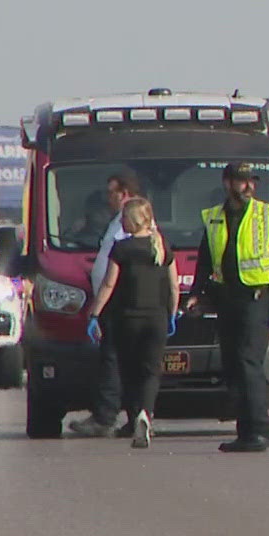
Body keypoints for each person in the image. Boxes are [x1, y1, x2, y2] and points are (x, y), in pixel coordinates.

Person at [186, 162, 269, 452]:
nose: (249, 186)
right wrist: (196, 293)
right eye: (242, 181)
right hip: (227, 299)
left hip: (257, 297)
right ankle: (248, 430)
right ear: (227, 183)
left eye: (251, 181)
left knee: (249, 361)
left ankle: (258, 429)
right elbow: (206, 259)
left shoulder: (266, 214)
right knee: (234, 364)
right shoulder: (214, 218)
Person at [83, 198, 177, 449]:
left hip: (128, 318)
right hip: (156, 318)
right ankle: (146, 413)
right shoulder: (162, 245)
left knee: (130, 369)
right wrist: (172, 313)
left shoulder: (121, 248)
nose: (121, 221)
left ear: (133, 220)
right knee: (151, 370)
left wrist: (94, 314)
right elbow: (173, 285)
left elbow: (109, 284)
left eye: (124, 217)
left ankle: (135, 414)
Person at [70, 168, 144, 438]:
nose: (107, 198)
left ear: (123, 194)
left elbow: (121, 264)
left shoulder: (130, 222)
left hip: (119, 300)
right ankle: (130, 416)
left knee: (113, 359)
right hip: (113, 299)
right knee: (116, 359)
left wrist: (98, 307)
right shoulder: (118, 220)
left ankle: (106, 415)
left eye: (110, 193)